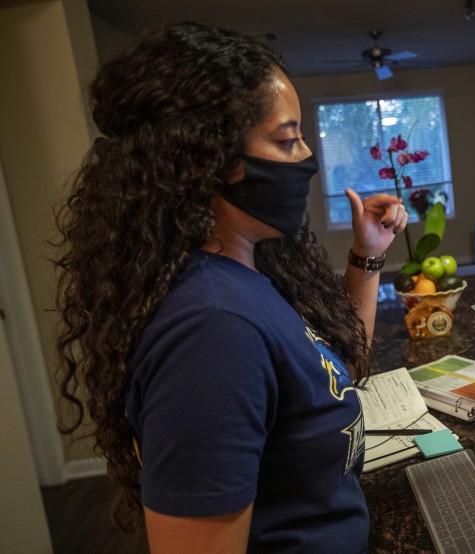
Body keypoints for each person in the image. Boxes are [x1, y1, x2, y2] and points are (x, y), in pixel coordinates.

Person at [53, 21, 408, 552]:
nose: (307, 157)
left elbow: (334, 370)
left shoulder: (250, 273)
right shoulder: (211, 330)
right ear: (206, 160)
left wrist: (368, 254)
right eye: (287, 140)